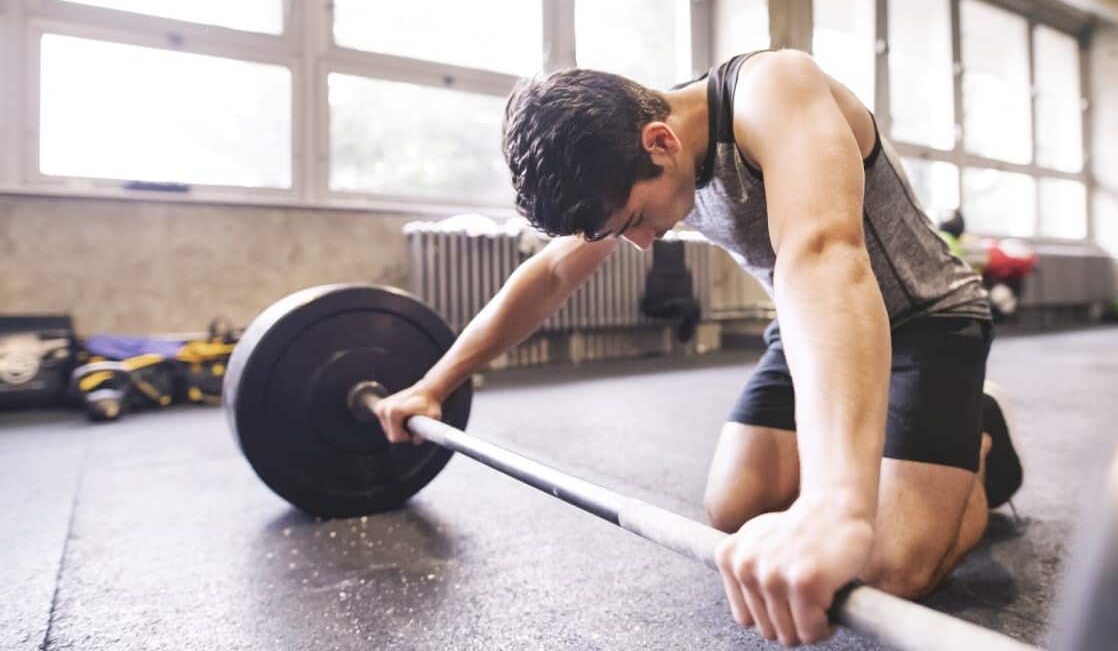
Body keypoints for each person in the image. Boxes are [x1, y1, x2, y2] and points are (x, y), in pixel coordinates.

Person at [374, 49, 1022, 647]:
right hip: (811, 326)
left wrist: (834, 508)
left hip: (926, 318)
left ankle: (978, 439)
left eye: (631, 222)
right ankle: (909, 450)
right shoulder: (628, 159)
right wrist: (437, 383)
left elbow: (824, 257)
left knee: (887, 568)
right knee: (737, 511)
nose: (639, 243)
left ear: (660, 141)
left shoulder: (775, 92)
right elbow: (547, 275)